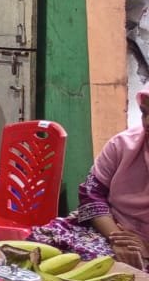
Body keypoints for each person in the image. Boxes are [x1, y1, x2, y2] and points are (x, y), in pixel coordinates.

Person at [28, 88, 149, 269]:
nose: (147, 122)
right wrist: (116, 238)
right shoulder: (122, 145)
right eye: (144, 113)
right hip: (108, 228)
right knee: (39, 246)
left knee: (114, 271)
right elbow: (91, 194)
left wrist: (146, 248)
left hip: (144, 247)